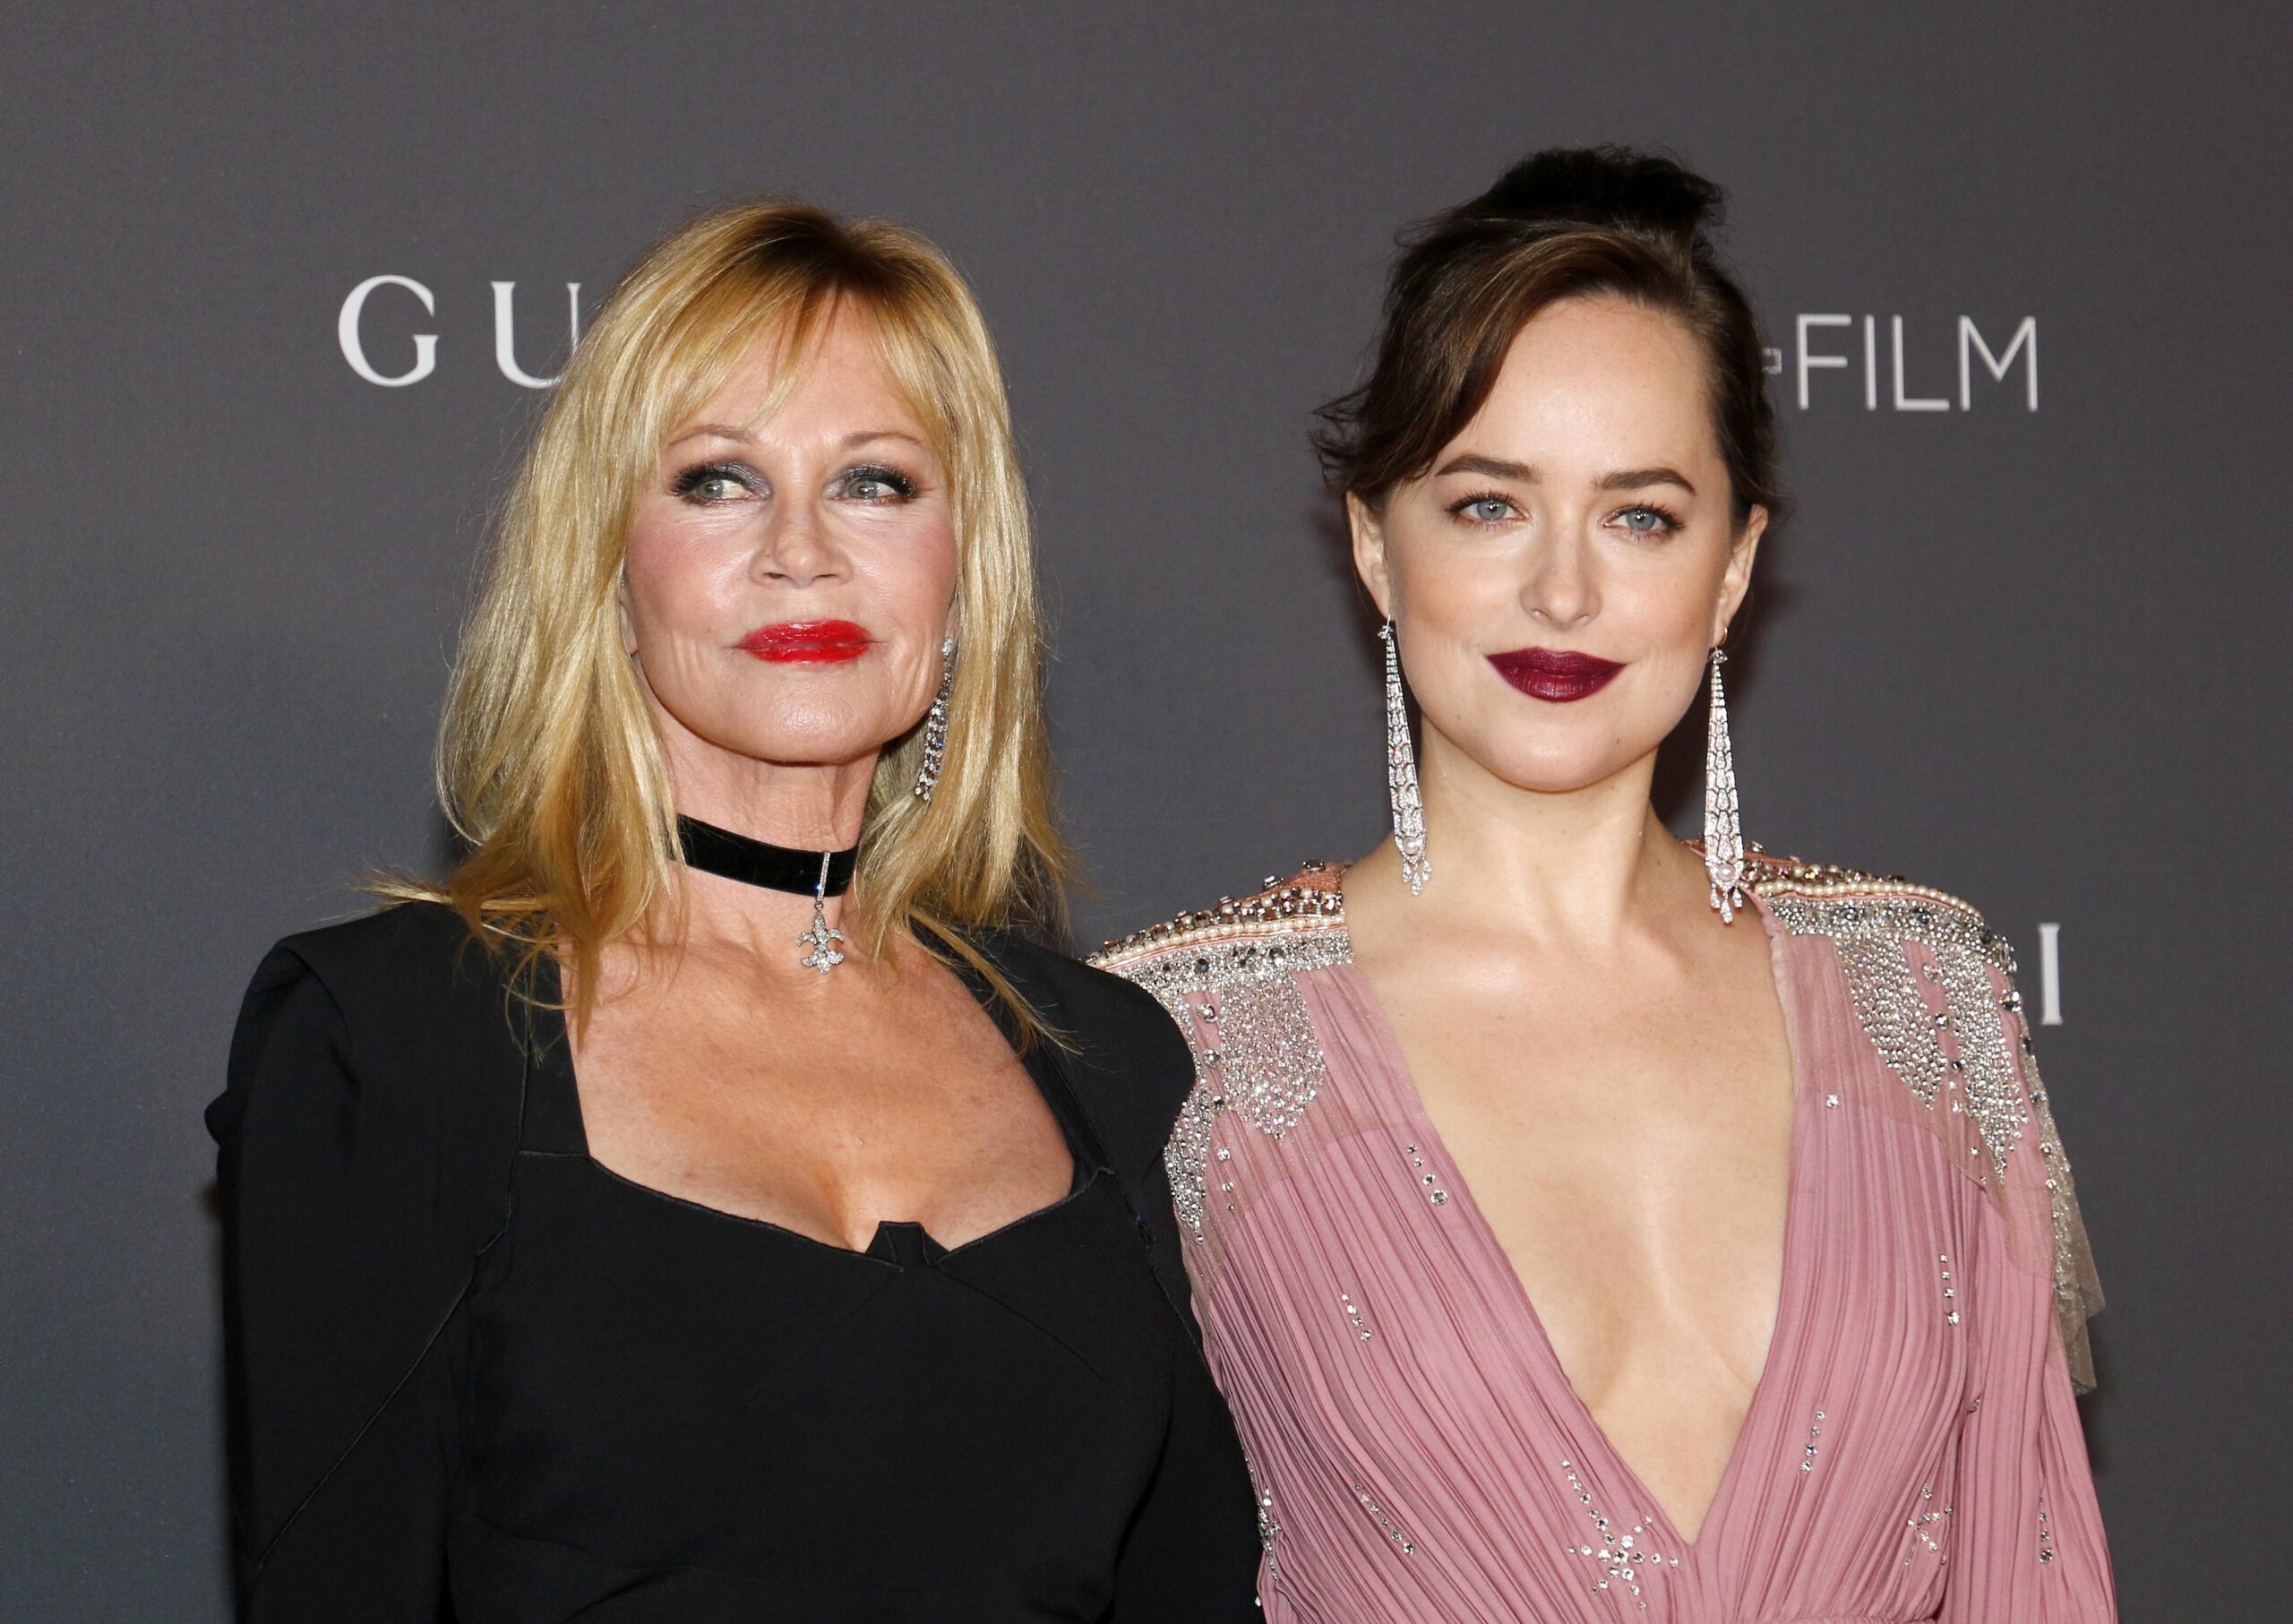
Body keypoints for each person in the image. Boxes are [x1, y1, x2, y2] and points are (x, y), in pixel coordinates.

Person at [1095, 148, 2111, 1622]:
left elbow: (2034, 1563)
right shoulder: (1170, 1051)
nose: (1563, 592)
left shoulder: (1930, 996)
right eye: (1487, 506)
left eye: (1641, 515)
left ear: (1734, 567)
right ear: (1375, 543)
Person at [210, 202, 1261, 1621]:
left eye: (877, 482)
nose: (800, 549)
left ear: (963, 573)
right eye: (718, 480)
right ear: (608, 571)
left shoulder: (1105, 1058)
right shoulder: (393, 1041)